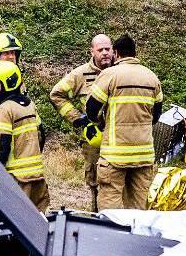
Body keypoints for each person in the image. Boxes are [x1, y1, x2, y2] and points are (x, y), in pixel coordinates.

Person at [85, 34, 163, 210]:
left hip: (115, 155)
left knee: (110, 206)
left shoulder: (109, 75)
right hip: (143, 156)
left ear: (116, 54)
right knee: (139, 207)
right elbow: (156, 115)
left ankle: (112, 237)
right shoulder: (152, 77)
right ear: (135, 53)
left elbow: (91, 110)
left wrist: (101, 121)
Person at [51, 33, 114, 210]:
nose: (104, 53)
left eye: (107, 49)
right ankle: (96, 212)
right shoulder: (80, 75)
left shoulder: (120, 71)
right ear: (92, 51)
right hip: (94, 137)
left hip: (119, 136)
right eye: (100, 49)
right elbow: (56, 95)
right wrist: (78, 119)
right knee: (95, 179)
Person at [0, 61, 49, 212]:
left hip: (16, 179)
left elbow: (2, 146)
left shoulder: (4, 109)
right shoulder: (29, 104)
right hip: (37, 176)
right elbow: (41, 134)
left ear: (8, 82)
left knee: (13, 223)